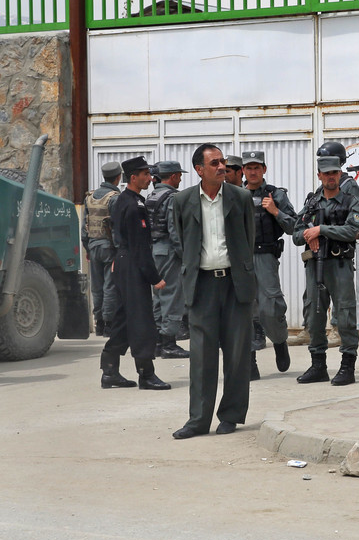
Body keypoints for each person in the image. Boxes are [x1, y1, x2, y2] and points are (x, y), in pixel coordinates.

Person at [171, 143, 257, 438]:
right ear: (199, 169)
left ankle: (230, 415)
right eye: (215, 163)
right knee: (202, 355)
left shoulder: (241, 197)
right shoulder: (182, 201)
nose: (223, 167)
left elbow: (248, 239)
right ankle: (198, 420)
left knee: (236, 354)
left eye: (223, 162)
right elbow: (181, 242)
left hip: (235, 284)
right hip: (202, 284)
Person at [100, 157, 171, 391]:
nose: (149, 179)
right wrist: (154, 277)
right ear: (133, 178)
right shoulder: (133, 205)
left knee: (123, 318)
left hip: (123, 262)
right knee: (141, 321)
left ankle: (109, 371)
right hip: (132, 264)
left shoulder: (123, 200)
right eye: (145, 175)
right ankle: (146, 374)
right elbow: (140, 246)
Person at [293, 155, 359, 386]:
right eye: (326, 173)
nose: (331, 176)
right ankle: (318, 365)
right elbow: (296, 233)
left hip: (339, 265)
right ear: (319, 176)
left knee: (345, 315)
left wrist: (321, 230)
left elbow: (352, 230)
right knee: (314, 315)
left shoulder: (349, 201)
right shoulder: (312, 203)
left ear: (339, 174)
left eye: (334, 172)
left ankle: (347, 366)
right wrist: (308, 234)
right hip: (315, 265)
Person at [242, 150, 296, 379]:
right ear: (243, 170)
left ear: (264, 169)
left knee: (270, 308)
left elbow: (295, 227)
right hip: (240, 259)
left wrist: (275, 211)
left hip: (265, 258)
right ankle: (250, 360)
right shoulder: (234, 194)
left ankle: (279, 340)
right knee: (244, 310)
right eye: (248, 167)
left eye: (257, 167)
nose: (253, 171)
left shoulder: (276, 194)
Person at [147, 160, 190, 360]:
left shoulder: (152, 195)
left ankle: (157, 342)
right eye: (179, 175)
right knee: (173, 296)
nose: (180, 178)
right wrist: (184, 255)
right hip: (170, 251)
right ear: (172, 176)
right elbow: (175, 230)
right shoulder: (172, 197)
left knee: (159, 296)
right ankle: (169, 344)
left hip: (155, 250)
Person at [83, 161, 122, 336]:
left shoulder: (90, 197)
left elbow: (85, 225)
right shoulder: (114, 197)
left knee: (97, 287)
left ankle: (98, 323)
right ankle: (108, 324)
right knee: (110, 286)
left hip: (93, 245)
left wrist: (87, 248)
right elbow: (117, 227)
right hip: (109, 248)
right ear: (118, 177)